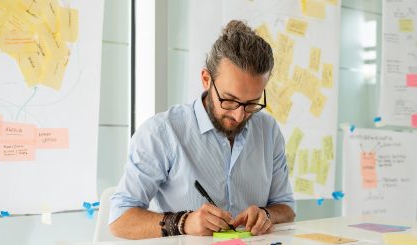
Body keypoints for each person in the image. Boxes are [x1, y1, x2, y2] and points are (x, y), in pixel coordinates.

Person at [109, 20, 295, 240]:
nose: (239, 115)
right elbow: (120, 219)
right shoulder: (161, 132)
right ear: (206, 79)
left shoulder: (269, 131)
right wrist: (183, 222)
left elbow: (286, 208)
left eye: (252, 103)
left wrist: (266, 215)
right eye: (230, 100)